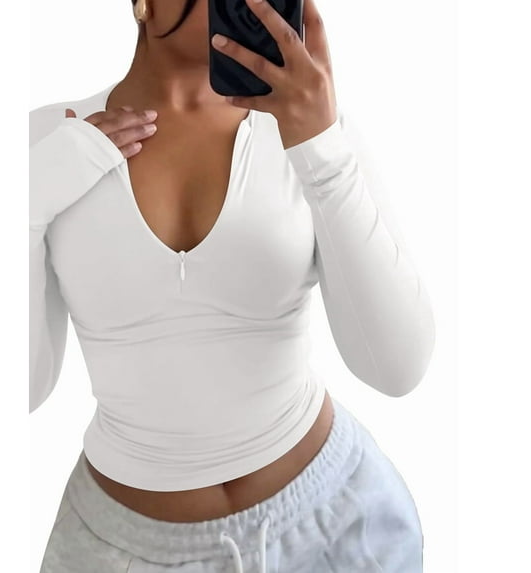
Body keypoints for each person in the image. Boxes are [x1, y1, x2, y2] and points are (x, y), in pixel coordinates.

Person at [30, 0, 436, 571]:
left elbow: (397, 370)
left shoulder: (310, 129)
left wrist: (320, 147)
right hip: (120, 552)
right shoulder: (47, 141)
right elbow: (20, 389)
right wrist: (23, 202)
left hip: (337, 528)